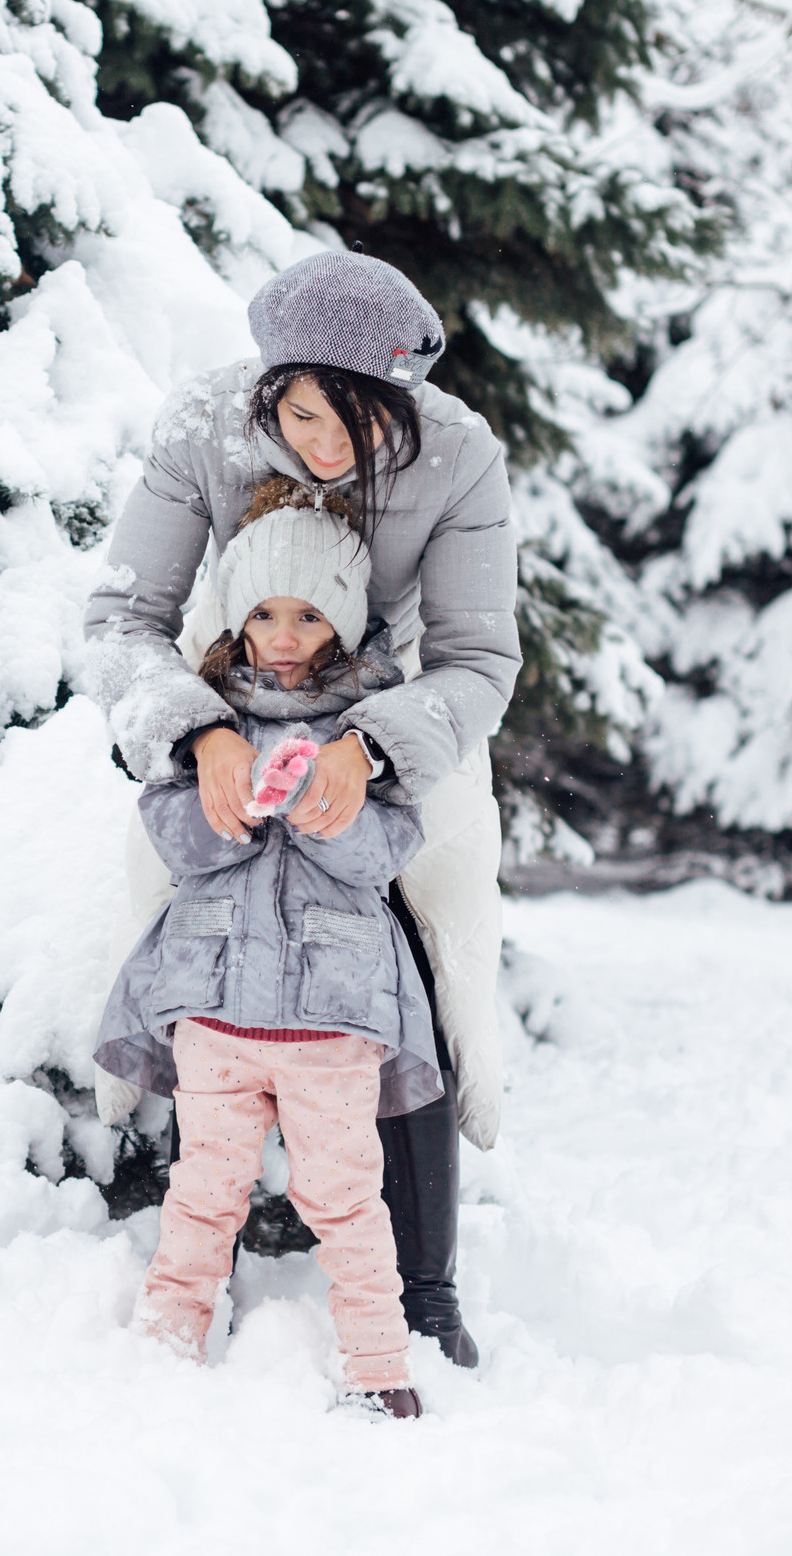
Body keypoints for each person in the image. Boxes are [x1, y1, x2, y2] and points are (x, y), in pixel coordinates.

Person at [82, 249, 516, 1368]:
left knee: (425, 936)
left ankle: (424, 1290)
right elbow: (121, 620)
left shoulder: (460, 456)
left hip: (397, 700)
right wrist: (199, 732)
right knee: (175, 903)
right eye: (306, 416)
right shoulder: (205, 428)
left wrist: (372, 751)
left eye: (358, 424)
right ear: (270, 388)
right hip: (228, 681)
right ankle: (187, 1224)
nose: (329, 447)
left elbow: (477, 660)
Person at [94, 480, 439, 1417]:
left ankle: (379, 1365)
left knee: (346, 1198)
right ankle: (165, 1346)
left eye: (309, 615)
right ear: (238, 619)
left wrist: (329, 812)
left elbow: (389, 852)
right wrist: (234, 808)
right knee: (204, 1191)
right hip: (215, 1009)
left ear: (344, 622)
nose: (283, 635)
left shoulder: (368, 734)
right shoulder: (206, 721)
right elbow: (173, 839)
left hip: (331, 1017)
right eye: (263, 613)